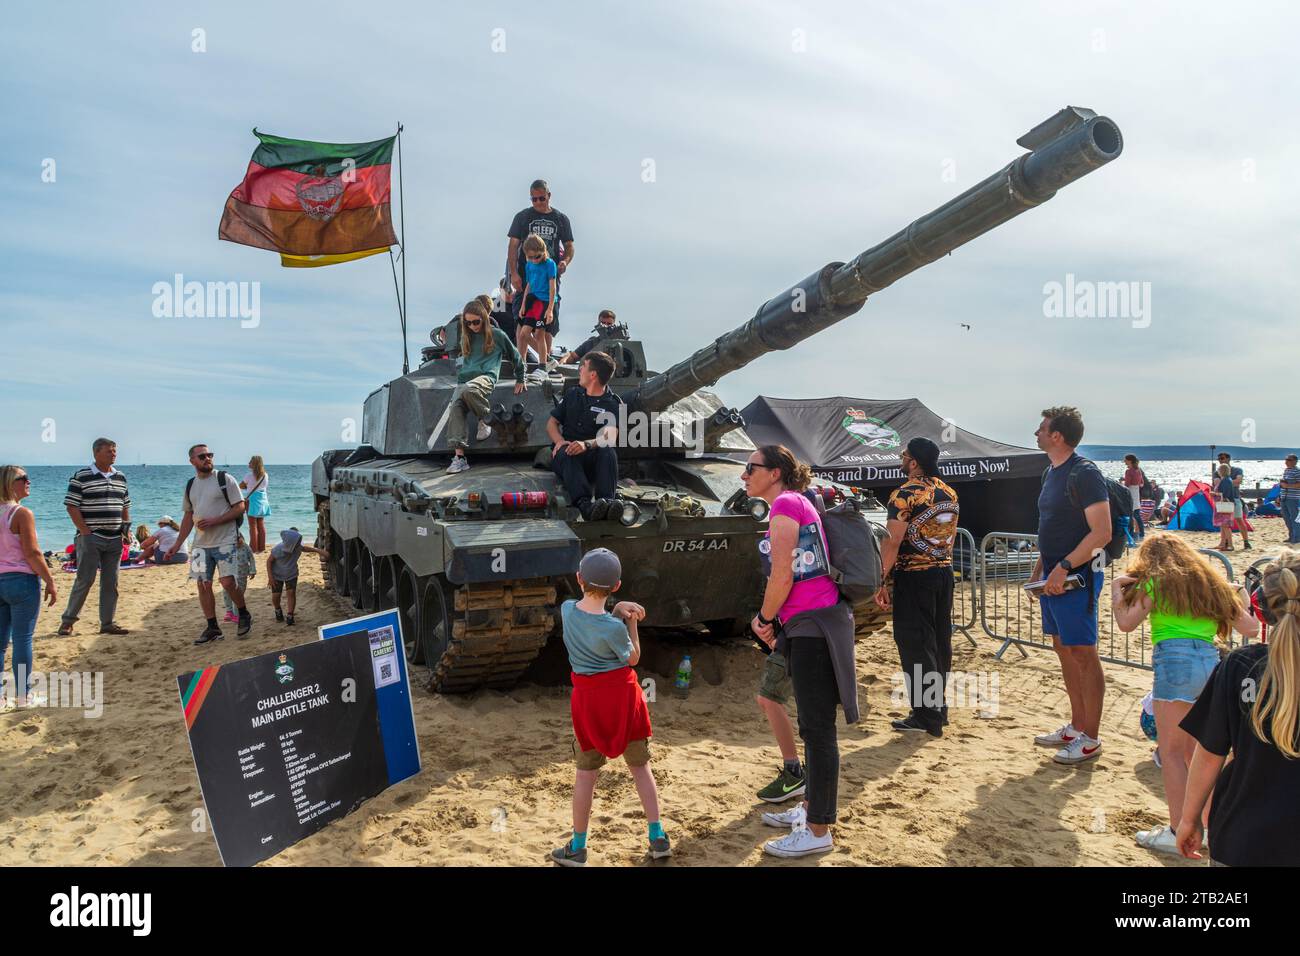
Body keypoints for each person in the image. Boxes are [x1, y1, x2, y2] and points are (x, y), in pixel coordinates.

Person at [1111, 534, 1259, 855]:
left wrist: (1115, 592)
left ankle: (1178, 827)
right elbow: (1251, 628)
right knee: (1199, 753)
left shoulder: (1155, 582)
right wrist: (1241, 594)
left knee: (1172, 753)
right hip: (1209, 663)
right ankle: (1205, 825)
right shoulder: (1208, 584)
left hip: (1174, 662)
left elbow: (1126, 623)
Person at [743, 445, 857, 859]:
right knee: (813, 726)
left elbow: (782, 573)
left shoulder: (786, 505)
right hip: (809, 622)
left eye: (751, 468)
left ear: (775, 473)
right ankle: (810, 810)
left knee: (818, 729)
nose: (744, 476)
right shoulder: (797, 501)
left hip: (814, 624)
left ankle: (818, 829)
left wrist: (763, 617)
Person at [1176, 552, 1300, 866]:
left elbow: (1209, 753)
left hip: (1242, 834)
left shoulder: (1239, 666)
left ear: (1261, 608)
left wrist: (1189, 818)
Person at [549, 548, 667, 866]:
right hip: (624, 700)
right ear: (616, 586)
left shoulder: (567, 610)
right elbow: (632, 657)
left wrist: (616, 612)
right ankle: (657, 837)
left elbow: (591, 623)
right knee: (641, 768)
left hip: (588, 702)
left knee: (585, 775)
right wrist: (629, 623)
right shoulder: (614, 628)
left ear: (578, 579)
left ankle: (577, 846)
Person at [1031, 407, 1113, 765]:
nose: (1036, 432)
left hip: (1077, 576)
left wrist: (1064, 567)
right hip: (1053, 575)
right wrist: (1041, 569)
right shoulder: (1051, 470)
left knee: (1083, 652)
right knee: (1063, 647)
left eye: (1042, 428)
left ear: (1057, 436)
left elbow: (1102, 532)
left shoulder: (1085, 473)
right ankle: (1077, 725)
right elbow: (1048, 524)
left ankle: (1091, 737)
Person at [875, 437, 960, 737]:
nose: (901, 458)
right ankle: (938, 707)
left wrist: (880, 579)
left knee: (915, 643)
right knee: (939, 642)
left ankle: (926, 716)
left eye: (904, 455)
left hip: (914, 575)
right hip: (943, 573)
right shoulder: (948, 491)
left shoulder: (904, 495)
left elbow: (893, 541)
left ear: (913, 462)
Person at [163, 444, 250, 643]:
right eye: (202, 456)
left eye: (210, 455)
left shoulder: (225, 479)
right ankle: (212, 627)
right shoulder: (190, 485)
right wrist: (176, 545)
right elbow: (187, 517)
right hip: (200, 544)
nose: (207, 458)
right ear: (192, 461)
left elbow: (240, 507)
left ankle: (243, 613)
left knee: (227, 582)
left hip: (226, 540)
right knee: (203, 584)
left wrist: (215, 521)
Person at [57, 438, 131, 637]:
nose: (113, 454)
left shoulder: (120, 477)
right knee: (84, 580)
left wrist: (126, 531)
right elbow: (71, 505)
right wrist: (85, 531)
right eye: (109, 451)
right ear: (96, 453)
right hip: (91, 537)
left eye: (115, 451)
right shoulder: (81, 476)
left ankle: (107, 623)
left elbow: (125, 505)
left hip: (115, 538)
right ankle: (68, 622)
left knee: (111, 582)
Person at [445, 299, 527, 475]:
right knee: (455, 408)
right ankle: (459, 458)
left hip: (486, 378)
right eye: (468, 323)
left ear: (483, 317)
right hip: (464, 380)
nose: (473, 326)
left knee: (469, 390)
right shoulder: (465, 338)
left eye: (476, 321)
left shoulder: (497, 335)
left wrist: (521, 377)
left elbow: (516, 357)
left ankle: (485, 419)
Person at [0, 465, 58, 710]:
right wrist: (50, 580)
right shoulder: (21, 513)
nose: (29, 482)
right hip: (20, 581)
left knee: (1, 643)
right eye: (24, 478)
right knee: (23, 639)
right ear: (11, 483)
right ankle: (23, 697)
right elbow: (33, 553)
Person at [546, 351, 622, 520]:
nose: (579, 370)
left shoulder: (612, 403)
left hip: (591, 459)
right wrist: (559, 441)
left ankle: (607, 502)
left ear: (593, 374)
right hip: (567, 460)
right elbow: (552, 423)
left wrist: (586, 444)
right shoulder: (573, 394)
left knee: (607, 449)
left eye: (583, 367)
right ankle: (585, 506)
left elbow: (610, 436)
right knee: (569, 450)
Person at [507, 179, 573, 366]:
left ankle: (544, 366)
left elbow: (569, 246)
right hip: (526, 278)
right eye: (533, 199)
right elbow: (512, 246)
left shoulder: (561, 219)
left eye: (541, 198)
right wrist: (514, 274)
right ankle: (524, 366)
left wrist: (565, 261)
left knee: (545, 328)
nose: (537, 202)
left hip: (549, 279)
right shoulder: (522, 217)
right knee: (522, 326)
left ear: (549, 196)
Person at [516, 235, 558, 377]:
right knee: (523, 334)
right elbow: (529, 285)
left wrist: (550, 309)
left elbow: (553, 288)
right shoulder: (529, 265)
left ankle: (543, 366)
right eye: (530, 257)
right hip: (532, 301)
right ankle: (548, 360)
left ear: (543, 251)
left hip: (545, 301)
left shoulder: (550, 264)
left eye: (537, 257)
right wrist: (523, 305)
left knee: (539, 333)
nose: (534, 260)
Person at [267, 528, 326, 625]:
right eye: (297, 542)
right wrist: (270, 577)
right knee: (276, 595)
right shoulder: (278, 549)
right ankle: (277, 609)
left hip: (291, 573)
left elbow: (307, 548)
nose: (299, 544)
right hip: (277, 575)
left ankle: (290, 615)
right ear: (290, 543)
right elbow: (269, 562)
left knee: (291, 593)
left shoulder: (298, 547)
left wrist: (320, 551)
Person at [1213, 451, 1251, 550]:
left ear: (1228, 459)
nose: (1220, 460)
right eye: (1219, 459)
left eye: (1222, 458)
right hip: (1224, 501)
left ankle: (1246, 542)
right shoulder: (1217, 472)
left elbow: (1238, 482)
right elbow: (1217, 483)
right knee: (1223, 522)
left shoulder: (1237, 470)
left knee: (1239, 519)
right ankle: (1224, 543)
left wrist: (1226, 482)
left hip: (1235, 498)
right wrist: (1229, 482)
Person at [222, 532, 257, 627]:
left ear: (241, 538)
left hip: (242, 575)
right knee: (226, 592)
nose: (237, 542)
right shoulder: (228, 548)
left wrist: (252, 570)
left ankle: (237, 614)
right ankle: (229, 612)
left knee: (239, 594)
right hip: (230, 575)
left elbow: (251, 558)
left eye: (238, 539)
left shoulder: (245, 547)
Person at [240, 456, 271, 553]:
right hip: (262, 500)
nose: (248, 463)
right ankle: (261, 547)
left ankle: (253, 548)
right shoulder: (265, 475)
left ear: (254, 463)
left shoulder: (249, 475)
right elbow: (262, 487)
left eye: (250, 461)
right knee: (261, 525)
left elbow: (241, 486)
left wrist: (247, 486)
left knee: (252, 525)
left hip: (252, 500)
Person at [1122, 454, 1146, 539]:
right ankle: (1142, 533)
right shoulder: (1138, 470)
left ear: (1129, 461)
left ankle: (1132, 534)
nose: (1124, 461)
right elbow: (1142, 484)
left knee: (1130, 514)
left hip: (1131, 492)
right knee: (1137, 514)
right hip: (1137, 492)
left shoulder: (1128, 471)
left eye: (1125, 460)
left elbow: (1127, 485)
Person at [1279, 453, 1300, 545]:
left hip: (1293, 498)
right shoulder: (1287, 471)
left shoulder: (1297, 471)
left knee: (1294, 518)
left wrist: (1287, 485)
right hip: (1284, 497)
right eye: (1286, 459)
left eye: (1289, 460)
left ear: (1295, 461)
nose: (1286, 462)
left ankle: (1297, 537)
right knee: (1286, 517)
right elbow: (1283, 485)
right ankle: (1291, 536)